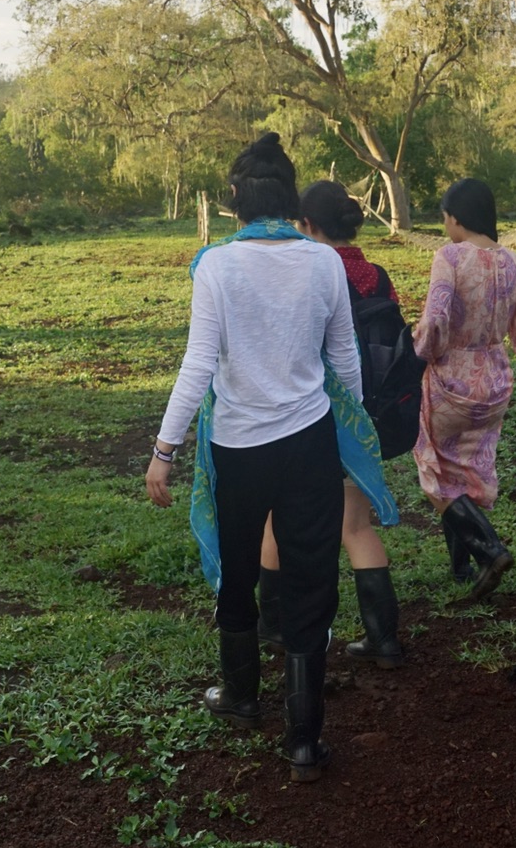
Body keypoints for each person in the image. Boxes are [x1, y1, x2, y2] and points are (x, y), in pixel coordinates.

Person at [145, 135, 396, 783]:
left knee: (239, 567)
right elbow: (343, 359)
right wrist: (351, 432)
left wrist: (164, 450)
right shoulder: (321, 262)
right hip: (310, 442)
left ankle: (242, 696)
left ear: (235, 202)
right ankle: (305, 741)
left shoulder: (217, 267)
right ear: (287, 200)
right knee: (313, 578)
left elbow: (199, 362)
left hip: (239, 448)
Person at [259, 180, 407, 668]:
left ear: (307, 225)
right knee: (355, 526)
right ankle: (384, 641)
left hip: (310, 417)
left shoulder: (311, 274)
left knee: (276, 523)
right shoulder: (377, 275)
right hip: (367, 417)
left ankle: (274, 629)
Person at [412, 178, 516, 600]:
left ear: (455, 218)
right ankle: (462, 567)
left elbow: (435, 320)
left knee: (433, 468)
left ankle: (490, 550)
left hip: (452, 376)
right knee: (467, 470)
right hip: (495, 380)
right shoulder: (515, 262)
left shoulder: (449, 257)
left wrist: (420, 349)